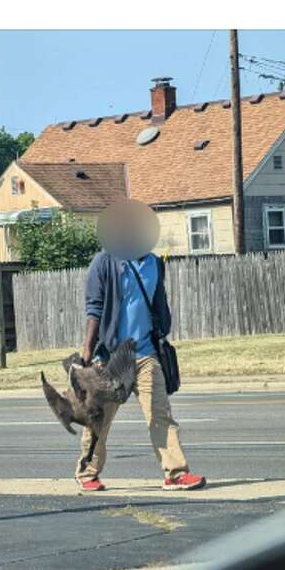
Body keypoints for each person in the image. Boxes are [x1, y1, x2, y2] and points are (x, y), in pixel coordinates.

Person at [74, 199, 206, 493]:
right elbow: (94, 307)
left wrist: (162, 334)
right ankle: (87, 473)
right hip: (111, 358)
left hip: (146, 354)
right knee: (99, 420)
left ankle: (175, 473)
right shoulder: (104, 262)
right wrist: (87, 352)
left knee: (160, 414)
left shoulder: (155, 264)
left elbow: (158, 305)